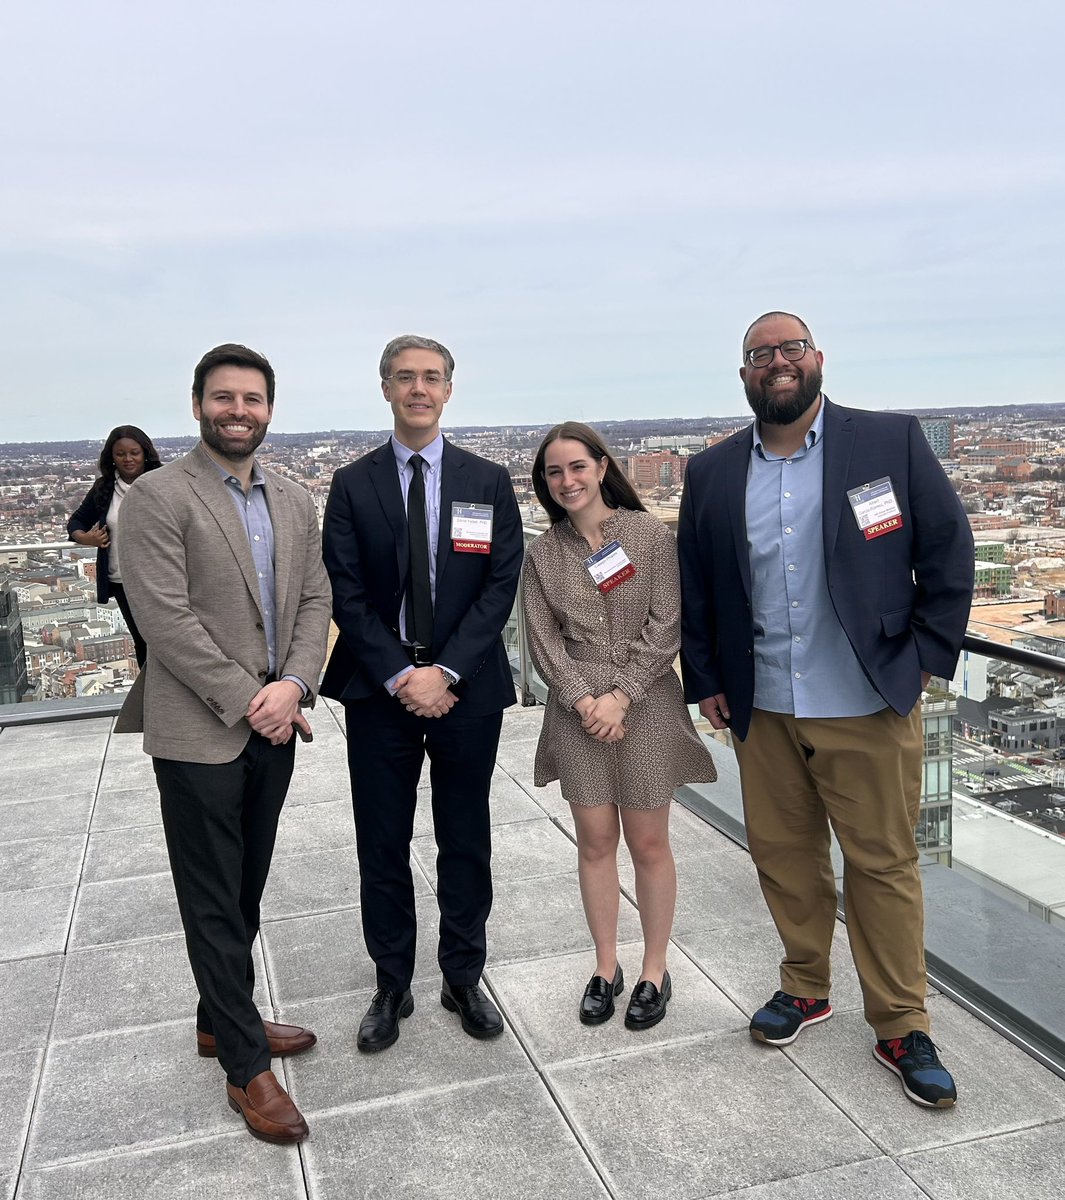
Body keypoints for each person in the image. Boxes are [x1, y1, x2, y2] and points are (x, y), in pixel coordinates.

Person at [678, 311, 974, 1108]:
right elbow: (698, 587)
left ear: (815, 360)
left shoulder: (886, 442)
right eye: (759, 354)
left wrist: (922, 660)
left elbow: (948, 550)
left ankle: (901, 1024)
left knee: (881, 866)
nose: (776, 362)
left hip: (867, 700)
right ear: (743, 374)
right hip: (762, 703)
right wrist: (703, 674)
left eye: (789, 349)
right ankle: (805, 985)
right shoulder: (709, 474)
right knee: (783, 858)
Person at [115, 344, 331, 1144]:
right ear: (198, 404)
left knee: (244, 888)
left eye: (252, 398)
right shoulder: (158, 497)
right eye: (223, 397)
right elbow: (164, 619)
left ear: (269, 409)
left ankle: (220, 1017)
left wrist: (294, 687)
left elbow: (315, 599)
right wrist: (251, 699)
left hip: (278, 721)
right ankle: (244, 1065)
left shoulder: (295, 499)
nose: (238, 410)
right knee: (210, 898)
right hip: (200, 729)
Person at [321, 334, 523, 1052]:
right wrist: (401, 674)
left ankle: (462, 976)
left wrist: (448, 671)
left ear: (447, 390)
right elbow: (345, 590)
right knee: (382, 841)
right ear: (384, 388)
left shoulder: (487, 481)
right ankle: (391, 982)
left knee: (464, 837)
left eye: (430, 378)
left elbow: (499, 584)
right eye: (404, 378)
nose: (418, 389)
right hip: (382, 691)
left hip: (466, 687)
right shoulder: (352, 484)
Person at [523, 422, 716, 1030]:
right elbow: (542, 638)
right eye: (554, 472)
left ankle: (654, 968)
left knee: (650, 843)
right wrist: (585, 700)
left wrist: (622, 696)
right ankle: (606, 966)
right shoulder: (543, 552)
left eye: (577, 467)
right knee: (596, 843)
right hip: (578, 717)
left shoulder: (649, 536)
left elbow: (667, 624)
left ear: (602, 468)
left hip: (648, 709)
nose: (567, 481)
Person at [67, 425, 162, 667]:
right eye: (120, 454)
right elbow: (76, 521)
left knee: (165, 640)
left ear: (145, 453)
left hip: (161, 579)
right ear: (112, 457)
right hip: (123, 580)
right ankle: (149, 697)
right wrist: (87, 538)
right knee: (143, 642)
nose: (128, 459)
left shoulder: (163, 483)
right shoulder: (104, 488)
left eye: (134, 452)